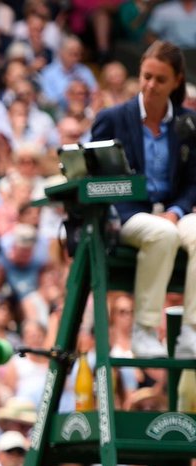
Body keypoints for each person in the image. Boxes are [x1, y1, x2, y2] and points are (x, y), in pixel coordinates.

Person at [89, 41, 196, 359]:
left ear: (176, 81)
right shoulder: (113, 118)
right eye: (146, 76)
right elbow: (94, 173)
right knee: (160, 234)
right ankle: (144, 330)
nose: (150, 85)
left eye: (160, 79)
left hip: (173, 213)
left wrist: (176, 211)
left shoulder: (189, 123)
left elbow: (193, 182)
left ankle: (191, 332)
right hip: (127, 214)